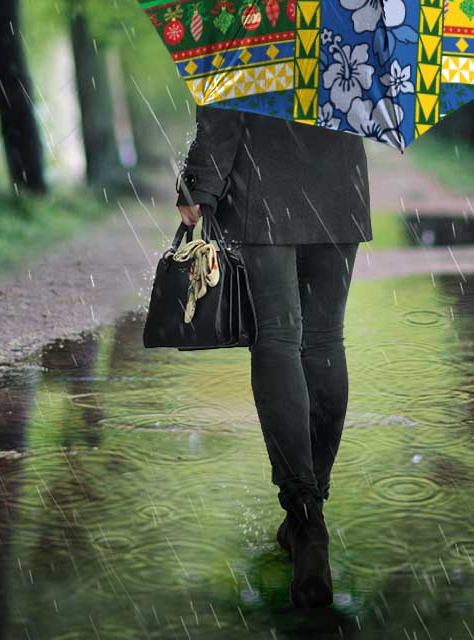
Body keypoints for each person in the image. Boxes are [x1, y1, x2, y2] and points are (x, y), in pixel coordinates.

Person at [175, 102, 372, 608]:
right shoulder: (365, 19)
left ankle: (304, 513)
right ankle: (311, 512)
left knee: (278, 338)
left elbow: (227, 93)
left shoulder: (252, 18)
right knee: (326, 339)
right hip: (338, 180)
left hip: (264, 182)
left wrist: (199, 183)